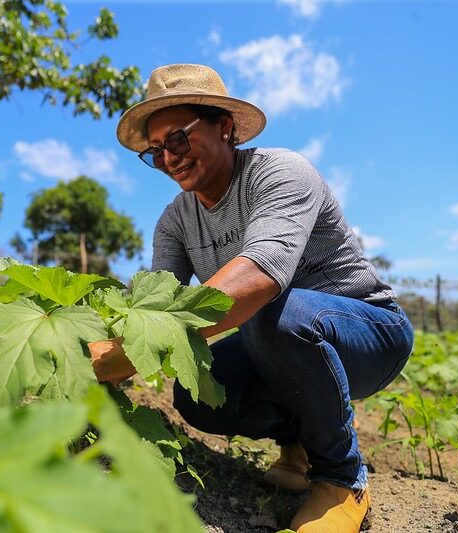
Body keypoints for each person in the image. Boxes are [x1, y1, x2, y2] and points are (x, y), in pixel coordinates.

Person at [89, 64, 414, 533]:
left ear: (224, 127)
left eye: (177, 139)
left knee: (272, 314)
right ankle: (300, 443)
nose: (169, 159)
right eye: (155, 152)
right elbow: (156, 303)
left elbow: (261, 275)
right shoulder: (175, 221)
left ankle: (342, 480)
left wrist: (126, 357)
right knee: (199, 392)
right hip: (278, 339)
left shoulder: (280, 171)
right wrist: (93, 343)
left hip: (369, 333)